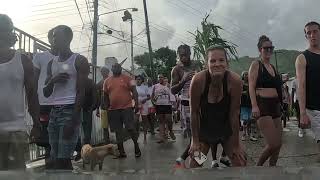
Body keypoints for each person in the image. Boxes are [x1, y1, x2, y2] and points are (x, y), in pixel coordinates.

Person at [189, 46, 246, 168]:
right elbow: (194, 112)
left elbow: (234, 114)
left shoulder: (235, 81)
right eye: (212, 61)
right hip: (204, 131)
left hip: (226, 130)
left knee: (240, 162)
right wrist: (194, 140)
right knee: (194, 165)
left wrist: (236, 144)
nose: (217, 64)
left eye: (221, 60)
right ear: (206, 64)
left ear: (227, 63)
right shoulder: (198, 81)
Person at [43, 25, 89, 169]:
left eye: (57, 36)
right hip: (54, 112)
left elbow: (81, 91)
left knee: (64, 159)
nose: (53, 39)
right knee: (55, 157)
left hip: (70, 110)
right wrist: (53, 80)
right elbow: (46, 92)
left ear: (68, 38)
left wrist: (74, 119)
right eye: (53, 36)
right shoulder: (51, 63)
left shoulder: (79, 60)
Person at [0, 14, 41, 170]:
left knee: (16, 174)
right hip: (16, 132)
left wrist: (37, 124)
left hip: (16, 131)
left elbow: (32, 95)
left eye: (5, 30)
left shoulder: (23, 60)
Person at [248, 35, 283, 166]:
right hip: (262, 105)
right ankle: (258, 167)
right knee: (273, 144)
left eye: (271, 48)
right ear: (260, 49)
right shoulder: (256, 64)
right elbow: (251, 86)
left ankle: (273, 169)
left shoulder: (273, 67)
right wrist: (254, 106)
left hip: (275, 106)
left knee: (278, 145)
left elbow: (278, 88)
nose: (269, 50)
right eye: (265, 48)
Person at [103, 63, 141, 158]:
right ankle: (121, 152)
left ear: (120, 68)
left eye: (118, 67)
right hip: (113, 110)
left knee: (130, 128)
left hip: (127, 108)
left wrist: (136, 104)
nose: (116, 68)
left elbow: (134, 91)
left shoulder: (128, 78)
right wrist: (106, 107)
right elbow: (105, 95)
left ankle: (136, 146)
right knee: (117, 131)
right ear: (111, 69)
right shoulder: (107, 81)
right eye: (114, 67)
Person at [171, 45, 200, 165]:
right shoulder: (177, 69)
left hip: (199, 103)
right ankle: (195, 160)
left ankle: (187, 158)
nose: (184, 57)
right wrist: (183, 80)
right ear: (178, 55)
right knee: (193, 135)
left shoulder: (197, 65)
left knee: (198, 134)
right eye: (181, 55)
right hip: (186, 105)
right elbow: (172, 90)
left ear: (190, 53)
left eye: (186, 54)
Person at [296, 21, 320, 162]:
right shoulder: (302, 58)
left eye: (315, 31)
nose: (312, 35)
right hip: (315, 110)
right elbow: (301, 86)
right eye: (308, 33)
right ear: (306, 36)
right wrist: (303, 113)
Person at [33, 28, 56, 169]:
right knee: (47, 140)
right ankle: (50, 168)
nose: (55, 39)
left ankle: (62, 168)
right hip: (45, 104)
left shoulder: (71, 58)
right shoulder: (40, 57)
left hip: (64, 104)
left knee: (63, 140)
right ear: (49, 39)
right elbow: (33, 82)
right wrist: (34, 102)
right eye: (53, 36)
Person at [74, 65, 97, 161]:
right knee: (77, 132)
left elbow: (95, 97)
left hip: (86, 109)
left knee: (86, 133)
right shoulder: (76, 82)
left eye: (85, 72)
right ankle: (80, 152)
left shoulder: (90, 82)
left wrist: (92, 108)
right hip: (78, 110)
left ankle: (86, 153)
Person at [152, 74, 176, 143]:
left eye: (161, 77)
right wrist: (153, 103)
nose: (160, 78)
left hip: (167, 105)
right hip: (159, 105)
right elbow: (152, 95)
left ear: (164, 78)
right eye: (159, 77)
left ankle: (171, 131)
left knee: (169, 120)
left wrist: (174, 104)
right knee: (161, 121)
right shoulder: (155, 86)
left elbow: (172, 94)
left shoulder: (168, 85)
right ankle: (161, 137)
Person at [240, 71, 257, 141]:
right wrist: (244, 92)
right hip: (244, 104)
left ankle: (251, 135)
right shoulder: (241, 83)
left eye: (247, 74)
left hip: (251, 104)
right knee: (245, 120)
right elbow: (238, 92)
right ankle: (244, 134)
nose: (246, 76)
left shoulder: (251, 84)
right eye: (245, 74)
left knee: (252, 120)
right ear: (243, 76)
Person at [96, 66, 111, 144]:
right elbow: (98, 97)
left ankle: (118, 144)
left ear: (108, 72)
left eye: (104, 71)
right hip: (103, 107)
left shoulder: (111, 81)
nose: (103, 72)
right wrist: (97, 109)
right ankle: (107, 143)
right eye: (102, 71)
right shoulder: (99, 83)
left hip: (113, 107)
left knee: (115, 126)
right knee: (105, 126)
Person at [135, 75, 151, 143]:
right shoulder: (134, 87)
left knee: (144, 120)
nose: (138, 80)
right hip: (136, 105)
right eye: (137, 79)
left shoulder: (145, 87)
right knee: (135, 121)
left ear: (142, 80)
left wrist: (145, 99)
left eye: (139, 79)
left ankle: (145, 136)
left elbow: (149, 97)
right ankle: (137, 134)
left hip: (144, 105)